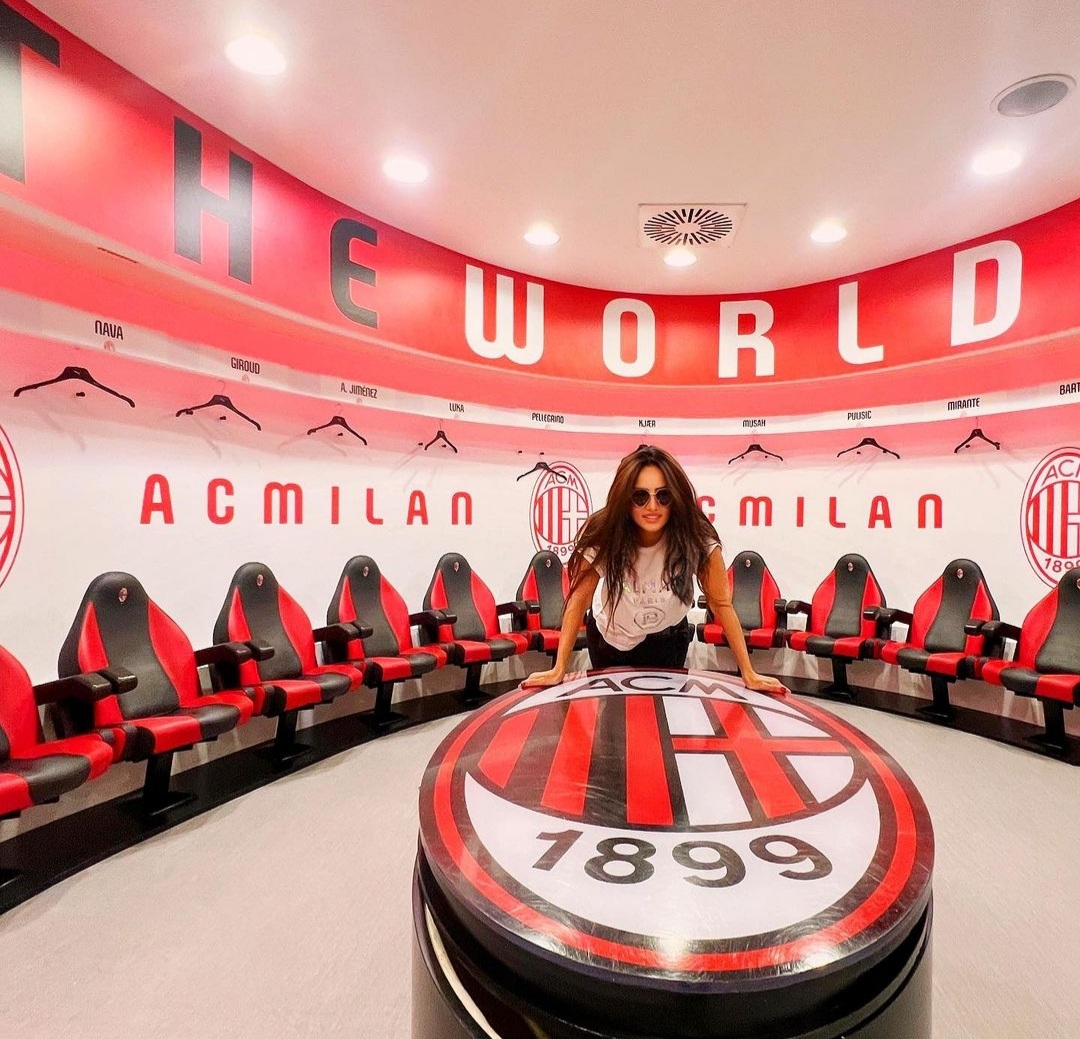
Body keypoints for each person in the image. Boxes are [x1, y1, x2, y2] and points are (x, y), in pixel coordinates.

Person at [523, 444, 787, 694]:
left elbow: (721, 604)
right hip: (610, 639)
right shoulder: (605, 532)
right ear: (625, 498)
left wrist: (748, 673)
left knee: (667, 717)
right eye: (640, 496)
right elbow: (578, 600)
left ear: (676, 497)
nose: (652, 506)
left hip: (668, 639)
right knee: (613, 723)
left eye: (663, 496)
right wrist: (559, 668)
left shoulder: (696, 536)